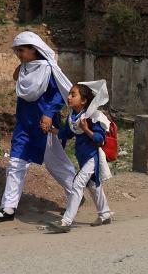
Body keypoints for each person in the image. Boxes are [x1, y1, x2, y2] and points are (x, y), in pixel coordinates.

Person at [0, 31, 76, 224]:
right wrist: (21, 65)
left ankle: (76, 193)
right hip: (24, 123)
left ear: (34, 50)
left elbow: (60, 94)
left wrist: (48, 114)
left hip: (44, 125)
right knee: (15, 163)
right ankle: (8, 209)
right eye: (17, 51)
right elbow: (17, 80)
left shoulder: (48, 69)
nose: (18, 54)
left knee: (57, 165)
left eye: (22, 50)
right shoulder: (25, 68)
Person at [46, 80, 113, 232]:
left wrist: (86, 129)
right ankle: (105, 214)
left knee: (77, 184)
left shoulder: (92, 116)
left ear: (83, 101)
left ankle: (66, 222)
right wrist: (50, 129)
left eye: (73, 95)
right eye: (69, 94)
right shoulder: (73, 117)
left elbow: (99, 139)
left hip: (92, 157)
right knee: (93, 186)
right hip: (82, 157)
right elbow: (66, 134)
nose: (69, 97)